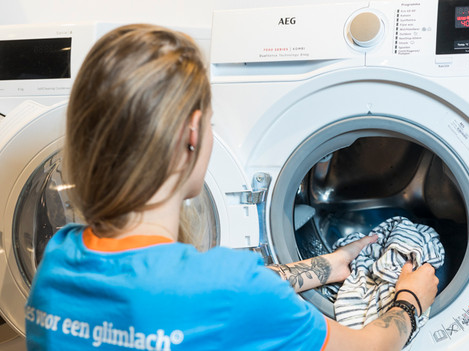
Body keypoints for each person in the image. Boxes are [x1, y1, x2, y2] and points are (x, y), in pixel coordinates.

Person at [25, 24, 439, 351]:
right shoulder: (230, 288)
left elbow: (216, 294)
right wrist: (410, 299)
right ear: (192, 133)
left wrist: (326, 267)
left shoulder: (58, 259)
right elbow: (371, 346)